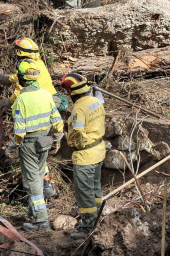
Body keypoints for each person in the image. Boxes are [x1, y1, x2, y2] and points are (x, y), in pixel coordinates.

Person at [8, 60, 64, 232]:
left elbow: (19, 131)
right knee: (38, 176)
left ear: (21, 79)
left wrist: (12, 146)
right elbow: (57, 121)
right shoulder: (47, 95)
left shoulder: (21, 100)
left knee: (32, 181)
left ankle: (41, 221)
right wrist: (56, 138)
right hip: (44, 143)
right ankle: (35, 212)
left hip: (29, 145)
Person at [61, 73, 106, 240]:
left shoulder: (78, 108)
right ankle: (96, 220)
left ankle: (88, 227)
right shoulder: (96, 101)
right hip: (99, 151)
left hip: (85, 156)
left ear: (71, 92)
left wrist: (76, 142)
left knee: (85, 193)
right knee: (95, 190)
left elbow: (78, 131)